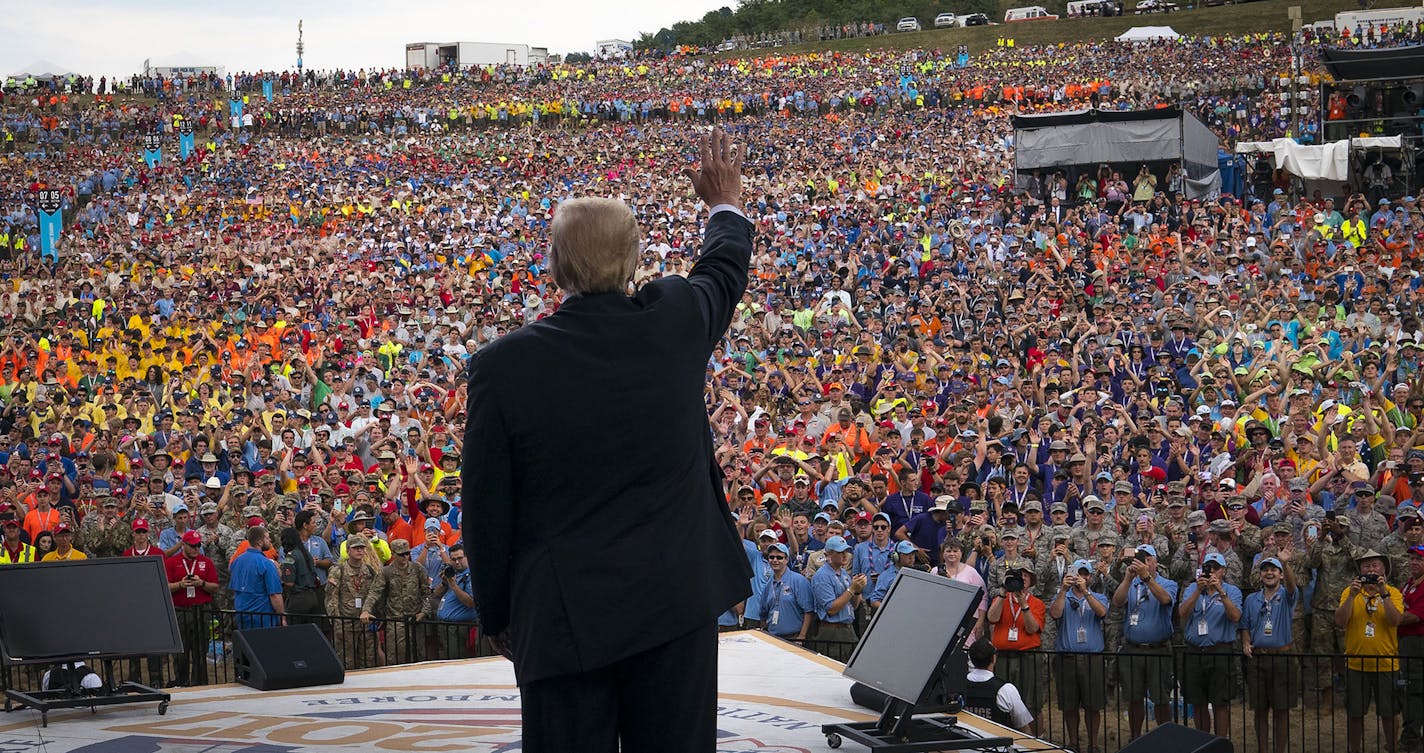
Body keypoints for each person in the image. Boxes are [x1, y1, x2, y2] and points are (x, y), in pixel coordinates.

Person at [462, 127, 753, 753]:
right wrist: (724, 205)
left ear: (555, 263)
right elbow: (723, 270)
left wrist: (497, 614)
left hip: (562, 618)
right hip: (675, 604)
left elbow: (486, 507)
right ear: (632, 261)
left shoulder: (502, 367)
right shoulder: (673, 321)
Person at [1336, 549, 1407, 753]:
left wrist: (1383, 593)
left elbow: (1395, 621)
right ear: (1359, 571)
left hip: (1386, 662)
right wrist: (1351, 596)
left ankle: (1391, 747)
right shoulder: (1349, 592)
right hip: (1356, 663)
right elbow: (1340, 621)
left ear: (1384, 569)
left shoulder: (1393, 593)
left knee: (1389, 712)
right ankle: (1355, 749)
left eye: (1375, 565)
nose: (1370, 569)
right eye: (1366, 566)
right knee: (1355, 712)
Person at [1112, 543, 1178, 740]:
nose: (1144, 563)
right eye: (1141, 559)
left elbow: (1165, 600)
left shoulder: (1168, 583)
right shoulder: (1131, 583)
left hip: (1158, 649)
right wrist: (1127, 578)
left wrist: (1146, 577)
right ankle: (1135, 738)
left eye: (1147, 559)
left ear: (1155, 562)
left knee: (1161, 698)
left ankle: (1165, 739)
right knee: (1134, 697)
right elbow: (1117, 601)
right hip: (1133, 648)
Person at [1177, 552, 1242, 737]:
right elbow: (1182, 613)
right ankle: (1202, 741)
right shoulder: (1192, 589)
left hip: (1220, 651)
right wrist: (1198, 590)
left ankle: (1220, 743)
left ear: (1223, 570)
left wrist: (1220, 591)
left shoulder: (1232, 591)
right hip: (1195, 651)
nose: (1211, 571)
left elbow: (1235, 616)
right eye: (1208, 567)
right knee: (1198, 702)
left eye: (1215, 567)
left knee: (1220, 702)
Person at [1240, 556, 1301, 753]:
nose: (1269, 573)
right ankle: (1263, 749)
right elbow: (1245, 625)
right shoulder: (1251, 599)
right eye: (1265, 570)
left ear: (1280, 574)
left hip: (1282, 658)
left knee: (1281, 710)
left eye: (1273, 570)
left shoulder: (1286, 595)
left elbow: (1292, 586)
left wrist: (1285, 563)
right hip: (1257, 659)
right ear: (1260, 575)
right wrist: (1246, 641)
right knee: (1259, 710)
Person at [1050, 559, 1109, 753]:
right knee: (1069, 705)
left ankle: (1093, 744)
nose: (1080, 577)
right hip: (1067, 657)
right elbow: (1055, 614)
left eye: (1085, 574)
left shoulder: (1098, 596)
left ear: (1090, 577)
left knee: (1093, 705)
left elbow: (1102, 613)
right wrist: (1062, 590)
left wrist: (1086, 592)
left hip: (1092, 658)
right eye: (1077, 573)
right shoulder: (1062, 595)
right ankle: (1073, 743)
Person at [985, 559, 1046, 735]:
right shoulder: (1001, 599)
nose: (1022, 578)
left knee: (1031, 700)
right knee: (1002, 699)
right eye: (1019, 575)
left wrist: (1023, 604)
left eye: (1025, 575)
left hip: (1027, 657)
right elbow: (992, 618)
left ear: (1030, 581)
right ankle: (1005, 736)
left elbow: (1032, 629)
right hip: (1003, 657)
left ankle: (1036, 740)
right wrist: (1004, 592)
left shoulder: (1037, 603)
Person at [362, 537, 432, 665]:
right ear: (394, 554)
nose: (405, 557)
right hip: (395, 621)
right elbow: (374, 592)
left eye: (407, 553)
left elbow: (426, 593)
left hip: (416, 619)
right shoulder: (386, 572)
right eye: (401, 555)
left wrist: (424, 612)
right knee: (395, 657)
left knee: (419, 655)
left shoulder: (417, 569)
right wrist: (366, 610)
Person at [165, 529, 217, 687]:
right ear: (184, 545)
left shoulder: (206, 562)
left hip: (200, 610)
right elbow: (164, 587)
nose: (196, 549)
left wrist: (201, 583)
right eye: (192, 546)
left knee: (200, 650)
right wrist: (180, 584)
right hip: (180, 611)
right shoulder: (171, 562)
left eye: (198, 545)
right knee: (181, 651)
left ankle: (199, 683)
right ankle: (181, 682)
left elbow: (215, 587)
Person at [326, 533, 380, 669]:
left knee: (368, 661)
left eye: (362, 548)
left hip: (365, 621)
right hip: (346, 622)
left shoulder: (368, 570)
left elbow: (375, 593)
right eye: (356, 548)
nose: (360, 551)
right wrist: (337, 621)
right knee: (346, 661)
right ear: (348, 550)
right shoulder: (339, 570)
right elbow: (331, 598)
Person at [811, 535, 865, 660]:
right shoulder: (822, 576)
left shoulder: (844, 573)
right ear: (828, 554)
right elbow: (831, 609)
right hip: (833, 632)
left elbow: (854, 605)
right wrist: (852, 589)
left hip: (847, 629)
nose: (845, 555)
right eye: (840, 552)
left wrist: (857, 591)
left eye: (845, 551)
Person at [962, 639, 1034, 732]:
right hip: (998, 744)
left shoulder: (958, 686)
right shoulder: (1006, 689)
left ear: (971, 659)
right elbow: (1023, 726)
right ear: (994, 658)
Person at [229, 526, 286, 631]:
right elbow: (275, 595)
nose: (270, 540)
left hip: (241, 614)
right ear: (260, 542)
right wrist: (282, 617)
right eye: (267, 538)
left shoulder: (237, 561)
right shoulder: (266, 564)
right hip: (262, 617)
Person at [758, 542, 814, 641]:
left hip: (794, 638)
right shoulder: (768, 584)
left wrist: (802, 636)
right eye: (771, 557)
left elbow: (808, 611)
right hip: (773, 637)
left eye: (779, 557)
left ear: (786, 559)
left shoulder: (799, 580)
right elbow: (763, 613)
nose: (775, 560)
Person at [431, 543, 479, 659]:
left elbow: (471, 602)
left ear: (467, 557)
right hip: (444, 626)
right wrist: (444, 582)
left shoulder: (470, 576)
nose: (457, 562)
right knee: (444, 659)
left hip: (459, 627)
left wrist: (453, 585)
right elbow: (435, 595)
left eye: (460, 558)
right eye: (453, 559)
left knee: (455, 659)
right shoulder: (452, 574)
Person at [1400, 545, 1424, 752]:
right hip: (1404, 642)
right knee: (1406, 688)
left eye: (1419, 559)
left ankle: (1412, 738)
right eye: (1412, 559)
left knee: (1415, 689)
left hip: (1417, 641)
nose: (1414, 562)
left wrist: (1389, 618)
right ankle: (1411, 732)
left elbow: (1414, 616)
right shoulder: (1408, 584)